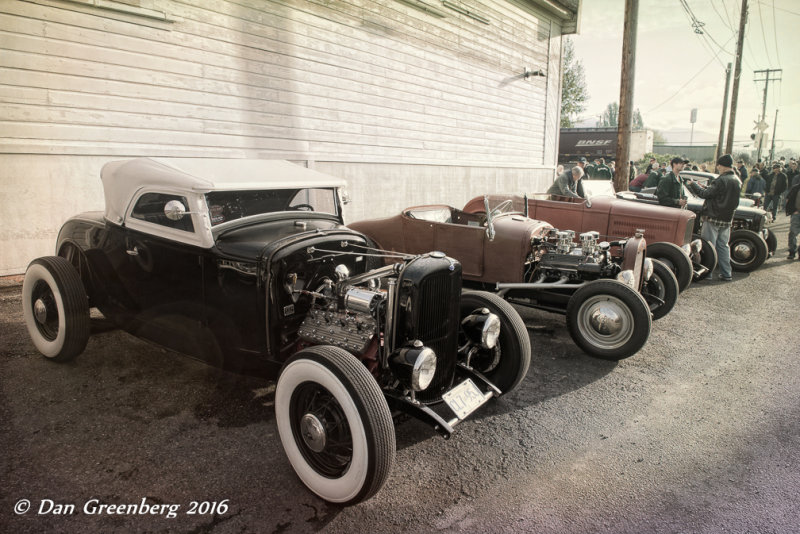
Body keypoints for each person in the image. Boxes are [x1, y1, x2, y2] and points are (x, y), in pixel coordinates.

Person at [685, 154, 742, 281]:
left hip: (713, 216)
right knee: (723, 246)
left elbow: (704, 194)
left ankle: (707, 273)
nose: (717, 168)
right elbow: (716, 193)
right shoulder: (737, 180)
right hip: (727, 218)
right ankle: (727, 273)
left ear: (721, 166)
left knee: (708, 247)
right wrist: (705, 186)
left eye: (718, 165)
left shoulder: (721, 180)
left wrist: (694, 184)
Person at [786, 179, 800, 259]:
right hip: (797, 214)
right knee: (792, 233)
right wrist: (793, 211)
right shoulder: (796, 188)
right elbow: (788, 199)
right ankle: (792, 252)